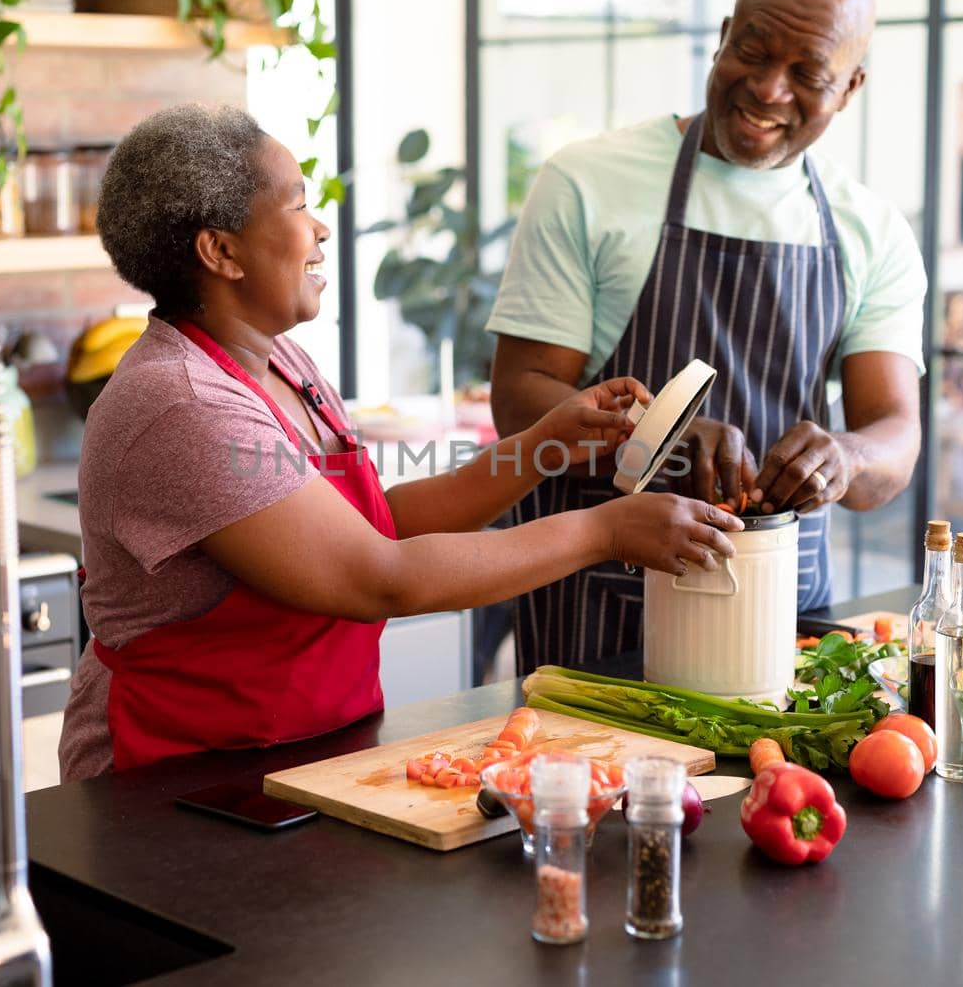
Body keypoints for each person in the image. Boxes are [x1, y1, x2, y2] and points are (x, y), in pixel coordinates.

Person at [58, 104, 739, 781]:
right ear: (221, 250)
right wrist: (605, 531)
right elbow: (378, 576)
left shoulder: (282, 362)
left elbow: (372, 526)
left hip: (302, 750)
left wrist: (544, 446)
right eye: (298, 206)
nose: (320, 229)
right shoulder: (184, 403)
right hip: (175, 778)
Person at [486, 0, 925, 671]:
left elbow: (895, 439)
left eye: (808, 75)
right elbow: (519, 400)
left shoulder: (869, 229)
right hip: (600, 611)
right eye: (751, 50)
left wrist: (843, 457)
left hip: (783, 610)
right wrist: (661, 434)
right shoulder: (587, 182)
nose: (767, 89)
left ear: (850, 89)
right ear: (723, 36)